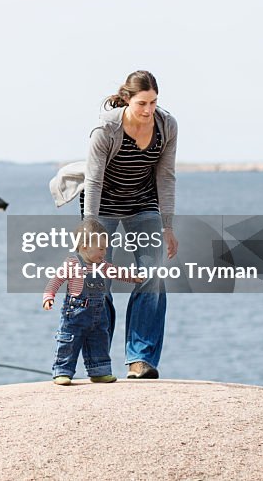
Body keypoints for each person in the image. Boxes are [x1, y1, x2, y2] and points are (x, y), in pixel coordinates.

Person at [81, 70, 179, 379]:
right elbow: (93, 181)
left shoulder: (166, 126)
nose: (148, 110)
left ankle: (141, 359)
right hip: (103, 206)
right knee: (99, 282)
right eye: (141, 103)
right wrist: (90, 226)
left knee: (152, 274)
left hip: (143, 204)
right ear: (127, 100)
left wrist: (167, 226)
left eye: (153, 102)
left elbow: (165, 176)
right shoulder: (105, 130)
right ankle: (98, 360)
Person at [43, 218, 143, 385]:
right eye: (101, 249)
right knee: (69, 341)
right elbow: (56, 280)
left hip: (98, 314)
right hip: (74, 314)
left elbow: (116, 272)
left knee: (99, 340)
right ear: (84, 247)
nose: (104, 253)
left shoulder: (101, 265)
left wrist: (133, 277)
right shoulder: (72, 263)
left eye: (106, 249)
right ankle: (62, 371)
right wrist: (49, 296)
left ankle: (99, 371)